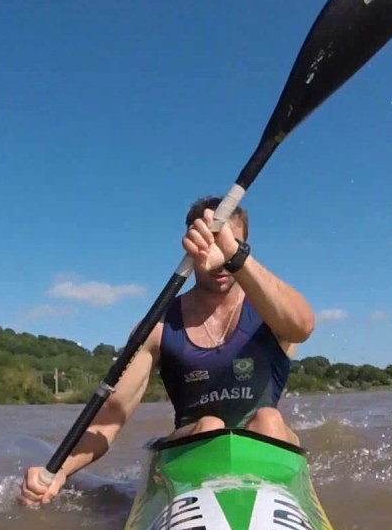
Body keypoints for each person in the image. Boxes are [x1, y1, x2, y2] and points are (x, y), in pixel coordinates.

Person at [18, 195, 316, 507]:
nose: (220, 256)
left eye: (230, 243)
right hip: (193, 447)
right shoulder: (157, 327)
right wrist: (59, 471)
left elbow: (302, 327)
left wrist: (233, 254)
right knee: (210, 427)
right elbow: (110, 416)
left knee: (268, 418)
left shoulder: (271, 309)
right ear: (190, 245)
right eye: (210, 241)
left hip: (268, 443)